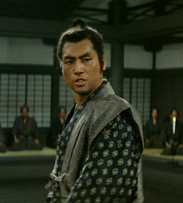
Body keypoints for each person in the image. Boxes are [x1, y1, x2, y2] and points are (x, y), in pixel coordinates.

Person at [45, 19, 144, 203]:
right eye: (69, 61)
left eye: (86, 59)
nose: (78, 69)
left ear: (103, 63)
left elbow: (99, 195)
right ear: (62, 67)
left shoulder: (116, 116)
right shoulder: (80, 111)